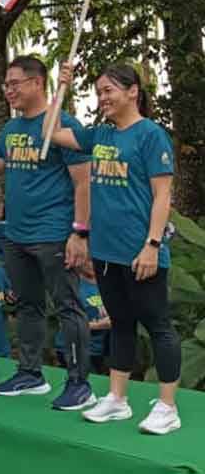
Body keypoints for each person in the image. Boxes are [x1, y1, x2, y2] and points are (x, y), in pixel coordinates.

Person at [0, 55, 95, 409]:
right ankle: (31, 373)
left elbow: (84, 184)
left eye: (14, 83)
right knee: (28, 306)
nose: (8, 90)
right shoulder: (13, 130)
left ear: (37, 83)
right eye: (6, 84)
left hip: (54, 234)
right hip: (16, 235)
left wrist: (79, 233)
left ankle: (79, 382)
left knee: (68, 307)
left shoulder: (62, 124)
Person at [47, 62, 181, 434]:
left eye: (109, 90)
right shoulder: (100, 135)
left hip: (142, 252)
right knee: (121, 324)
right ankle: (118, 399)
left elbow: (163, 194)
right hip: (106, 254)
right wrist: (61, 88)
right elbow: (51, 132)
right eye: (99, 91)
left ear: (133, 91)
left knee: (158, 326)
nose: (102, 97)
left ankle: (168, 406)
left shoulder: (150, 135)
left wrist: (152, 245)